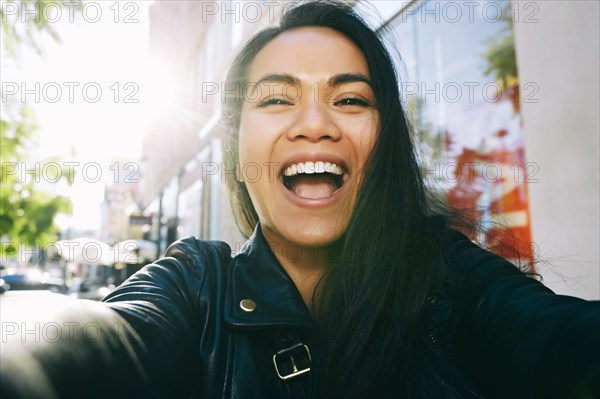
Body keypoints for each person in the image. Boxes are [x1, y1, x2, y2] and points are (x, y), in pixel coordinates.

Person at [1, 1, 598, 398]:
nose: (315, 123)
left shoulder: (454, 282)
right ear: (234, 158)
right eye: (276, 99)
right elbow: (92, 339)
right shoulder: (195, 289)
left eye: (351, 100)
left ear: (383, 145)